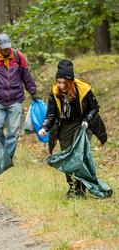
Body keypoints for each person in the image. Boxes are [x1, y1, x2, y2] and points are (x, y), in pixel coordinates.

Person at [38, 59, 107, 198]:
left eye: (64, 82)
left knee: (78, 156)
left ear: (70, 81)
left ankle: (81, 188)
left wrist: (87, 121)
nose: (61, 85)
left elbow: (94, 108)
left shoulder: (83, 89)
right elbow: (51, 114)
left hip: (82, 124)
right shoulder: (55, 91)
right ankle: (74, 187)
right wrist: (45, 127)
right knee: (67, 157)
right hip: (64, 125)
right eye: (59, 81)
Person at [0, 33, 37, 158]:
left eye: (8, 47)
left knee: (14, 131)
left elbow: (26, 76)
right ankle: (1, 151)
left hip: (15, 100)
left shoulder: (18, 56)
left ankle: (7, 157)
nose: (6, 50)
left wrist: (33, 91)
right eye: (3, 47)